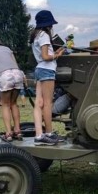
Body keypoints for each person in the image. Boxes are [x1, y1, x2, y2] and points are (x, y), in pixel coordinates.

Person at [29, 10, 64, 145]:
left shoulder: (36, 35)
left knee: (39, 103)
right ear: (48, 24)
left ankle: (39, 135)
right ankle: (49, 133)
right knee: (48, 104)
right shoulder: (44, 36)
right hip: (47, 70)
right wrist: (57, 55)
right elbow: (45, 57)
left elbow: (42, 55)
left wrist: (54, 52)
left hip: (39, 69)